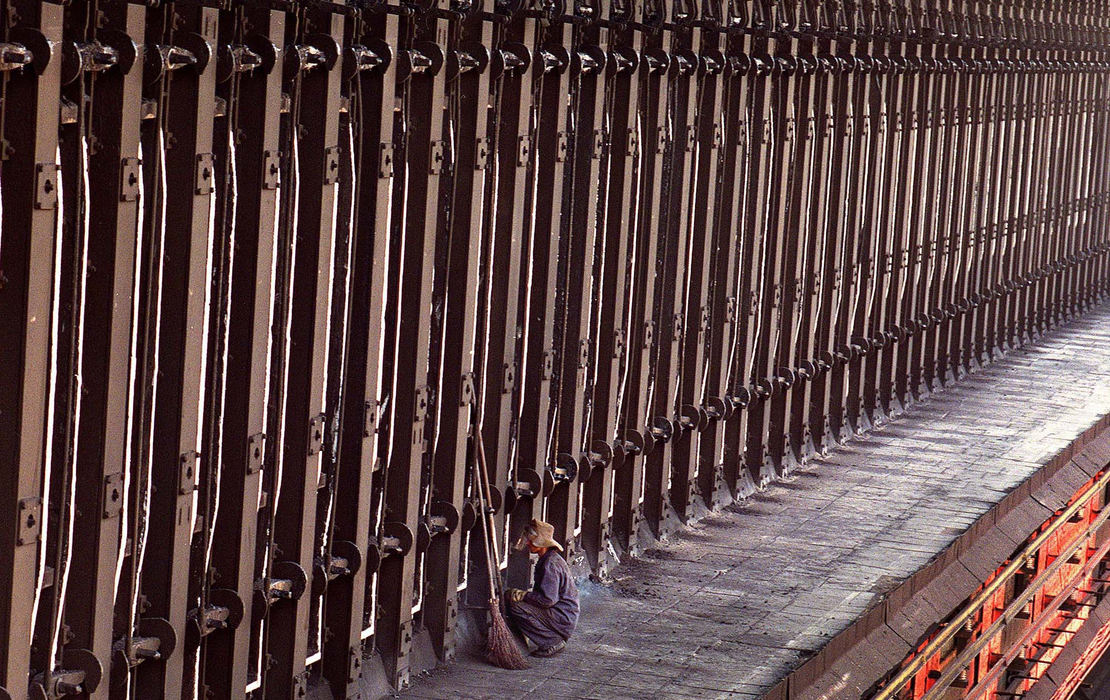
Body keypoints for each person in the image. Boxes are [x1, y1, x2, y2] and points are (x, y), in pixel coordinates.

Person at [504, 518, 579, 657]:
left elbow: (547, 600)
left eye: (531, 540)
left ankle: (551, 642)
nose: (527, 542)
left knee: (517, 607)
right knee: (516, 602)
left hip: (562, 618)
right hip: (563, 615)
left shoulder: (550, 564)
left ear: (542, 543)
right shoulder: (549, 558)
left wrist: (523, 595)